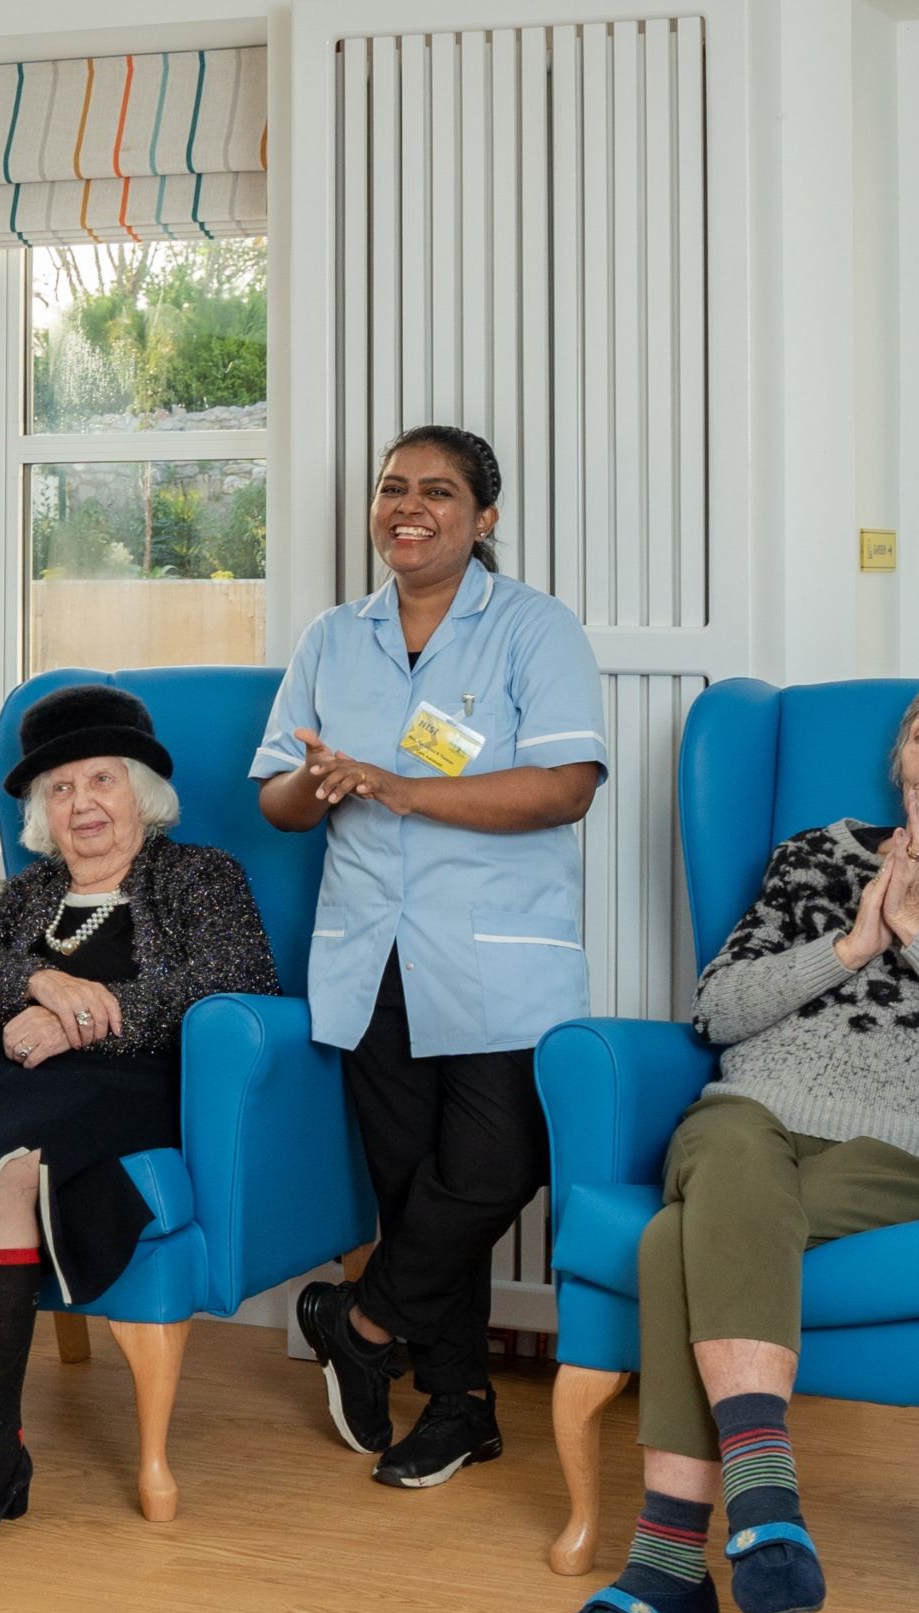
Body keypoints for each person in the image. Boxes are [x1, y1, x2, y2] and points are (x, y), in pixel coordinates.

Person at [541, 678, 919, 1613]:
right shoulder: (814, 856)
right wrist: (851, 942)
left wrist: (918, 927)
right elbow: (718, 1009)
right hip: (750, 1117)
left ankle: (665, 1573)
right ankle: (760, 1487)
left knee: (675, 1238)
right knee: (730, 1150)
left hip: (905, 1152)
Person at [0, 686, 279, 1552]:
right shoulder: (32, 893)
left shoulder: (199, 875)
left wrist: (91, 1007)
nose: (83, 805)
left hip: (126, 1083)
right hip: (4, 1077)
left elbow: (238, 982)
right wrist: (37, 981)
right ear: (43, 813)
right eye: (61, 790)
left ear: (140, 792)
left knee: (4, 1171)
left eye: (101, 781)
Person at [257, 425, 608, 1490]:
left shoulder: (533, 631)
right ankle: (457, 1405)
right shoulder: (330, 637)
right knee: (413, 1191)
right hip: (370, 954)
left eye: (439, 492)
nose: (408, 507)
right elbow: (274, 799)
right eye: (392, 489)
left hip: (499, 953)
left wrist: (402, 788)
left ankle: (357, 1322)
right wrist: (317, 787)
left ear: (483, 518)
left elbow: (565, 786)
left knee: (502, 1163)